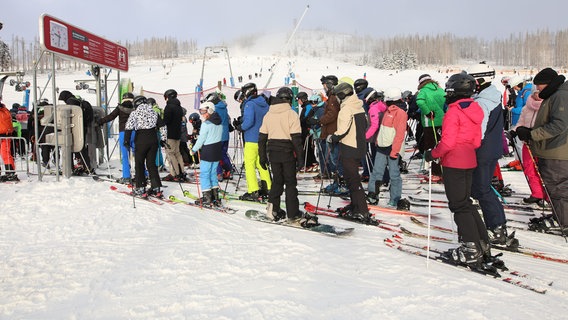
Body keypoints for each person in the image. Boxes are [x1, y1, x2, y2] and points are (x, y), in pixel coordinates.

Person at [424, 73, 492, 268]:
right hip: (469, 158)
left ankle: (471, 249)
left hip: (454, 161)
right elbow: (477, 140)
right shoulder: (474, 108)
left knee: (459, 205)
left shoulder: (454, 111)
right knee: (466, 203)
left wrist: (433, 154)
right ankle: (481, 243)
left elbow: (447, 142)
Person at [467, 63, 518, 248]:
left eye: (472, 81)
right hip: (491, 149)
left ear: (481, 80)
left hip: (483, 150)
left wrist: (467, 147)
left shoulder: (482, 101)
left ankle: (497, 227)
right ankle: (497, 225)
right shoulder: (492, 95)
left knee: (482, 190)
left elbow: (478, 131)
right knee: (482, 188)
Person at [515, 67, 568, 234]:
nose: (537, 89)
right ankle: (559, 216)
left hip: (557, 150)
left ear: (548, 83)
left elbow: (559, 124)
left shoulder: (560, 96)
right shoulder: (556, 94)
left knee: (557, 188)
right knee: (557, 188)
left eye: (539, 86)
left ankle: (563, 221)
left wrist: (532, 134)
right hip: (553, 149)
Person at [259, 87, 310, 225]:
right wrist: (300, 159)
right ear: (289, 99)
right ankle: (293, 213)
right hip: (287, 152)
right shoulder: (291, 114)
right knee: (290, 183)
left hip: (273, 152)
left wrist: (262, 157)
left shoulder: (268, 114)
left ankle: (272, 210)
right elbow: (296, 140)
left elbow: (262, 138)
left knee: (277, 182)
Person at [327, 83, 373, 224]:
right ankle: (355, 206)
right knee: (351, 179)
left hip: (349, 147)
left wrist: (332, 137)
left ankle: (362, 210)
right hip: (359, 146)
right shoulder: (358, 107)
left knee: (353, 180)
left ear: (342, 95)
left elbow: (343, 130)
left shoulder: (346, 109)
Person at [366, 88, 408, 208]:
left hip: (393, 148)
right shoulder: (387, 111)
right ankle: (372, 194)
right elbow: (382, 128)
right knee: (376, 172)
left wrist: (395, 151)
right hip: (382, 147)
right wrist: (378, 140)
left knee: (394, 174)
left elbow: (400, 134)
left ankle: (395, 198)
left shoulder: (400, 113)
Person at [234, 82, 271, 201]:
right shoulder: (264, 103)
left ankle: (253, 190)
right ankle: (268, 188)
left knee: (249, 165)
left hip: (251, 139)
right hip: (263, 138)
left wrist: (240, 126)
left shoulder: (250, 104)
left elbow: (249, 122)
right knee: (261, 163)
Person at [124, 95, 166, 198]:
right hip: (153, 139)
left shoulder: (135, 113)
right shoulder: (153, 112)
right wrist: (163, 139)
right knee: (151, 164)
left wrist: (126, 140)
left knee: (139, 164)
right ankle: (156, 188)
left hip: (141, 140)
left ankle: (140, 188)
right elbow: (162, 126)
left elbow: (129, 127)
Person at [510, 87, 545, 205]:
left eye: (540, 93)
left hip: (541, 142)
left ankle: (546, 195)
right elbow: (520, 122)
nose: (538, 95)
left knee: (542, 169)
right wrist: (515, 130)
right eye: (536, 93)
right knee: (529, 168)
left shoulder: (546, 106)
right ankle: (537, 193)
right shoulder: (527, 107)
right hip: (527, 142)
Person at [97, 92, 136, 184]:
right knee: (138, 154)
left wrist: (101, 121)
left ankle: (126, 176)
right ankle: (143, 174)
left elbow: (111, 117)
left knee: (125, 155)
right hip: (135, 132)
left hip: (123, 132)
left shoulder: (120, 108)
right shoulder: (135, 108)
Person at [191, 102, 223, 206]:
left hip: (208, 150)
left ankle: (207, 197)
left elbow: (201, 140)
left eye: (204, 111)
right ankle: (215, 196)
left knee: (205, 173)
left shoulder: (206, 124)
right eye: (201, 112)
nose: (202, 114)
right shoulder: (219, 122)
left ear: (210, 110)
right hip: (217, 149)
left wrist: (193, 150)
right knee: (212, 172)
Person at [319, 75, 346, 194]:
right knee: (331, 160)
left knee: (336, 160)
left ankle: (342, 184)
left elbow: (332, 114)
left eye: (325, 85)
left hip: (333, 132)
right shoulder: (331, 97)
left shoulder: (334, 97)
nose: (324, 88)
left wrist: (320, 120)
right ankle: (337, 182)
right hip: (330, 132)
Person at [416, 74, 446, 181]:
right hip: (443, 122)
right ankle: (444, 170)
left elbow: (419, 101)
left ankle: (436, 172)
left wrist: (427, 112)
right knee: (442, 145)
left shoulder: (423, 91)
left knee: (432, 147)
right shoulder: (440, 89)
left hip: (430, 122)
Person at [58, 90, 94, 175]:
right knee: (81, 147)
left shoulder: (70, 102)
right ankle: (86, 166)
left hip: (74, 128)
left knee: (70, 147)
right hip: (82, 127)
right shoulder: (78, 101)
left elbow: (70, 115)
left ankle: (70, 167)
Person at [205, 92, 233, 181]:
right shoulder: (224, 107)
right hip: (225, 134)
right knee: (223, 154)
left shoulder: (213, 108)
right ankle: (229, 170)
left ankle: (219, 173)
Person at [162, 89, 186, 182]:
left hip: (170, 134)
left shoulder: (169, 107)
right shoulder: (179, 107)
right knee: (177, 153)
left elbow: (166, 121)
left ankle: (175, 173)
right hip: (177, 133)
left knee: (170, 153)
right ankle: (181, 171)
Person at [297, 91, 318, 172]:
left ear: (302, 99)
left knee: (307, 147)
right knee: (306, 146)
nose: (298, 102)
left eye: (299, 100)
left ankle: (310, 163)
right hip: (305, 129)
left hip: (307, 130)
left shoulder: (308, 107)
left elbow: (305, 119)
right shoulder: (306, 107)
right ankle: (310, 162)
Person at [0, 101, 17, 181]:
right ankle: (10, 171)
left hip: (3, 134)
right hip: (6, 135)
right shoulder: (5, 110)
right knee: (6, 153)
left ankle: (9, 172)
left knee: (6, 153)